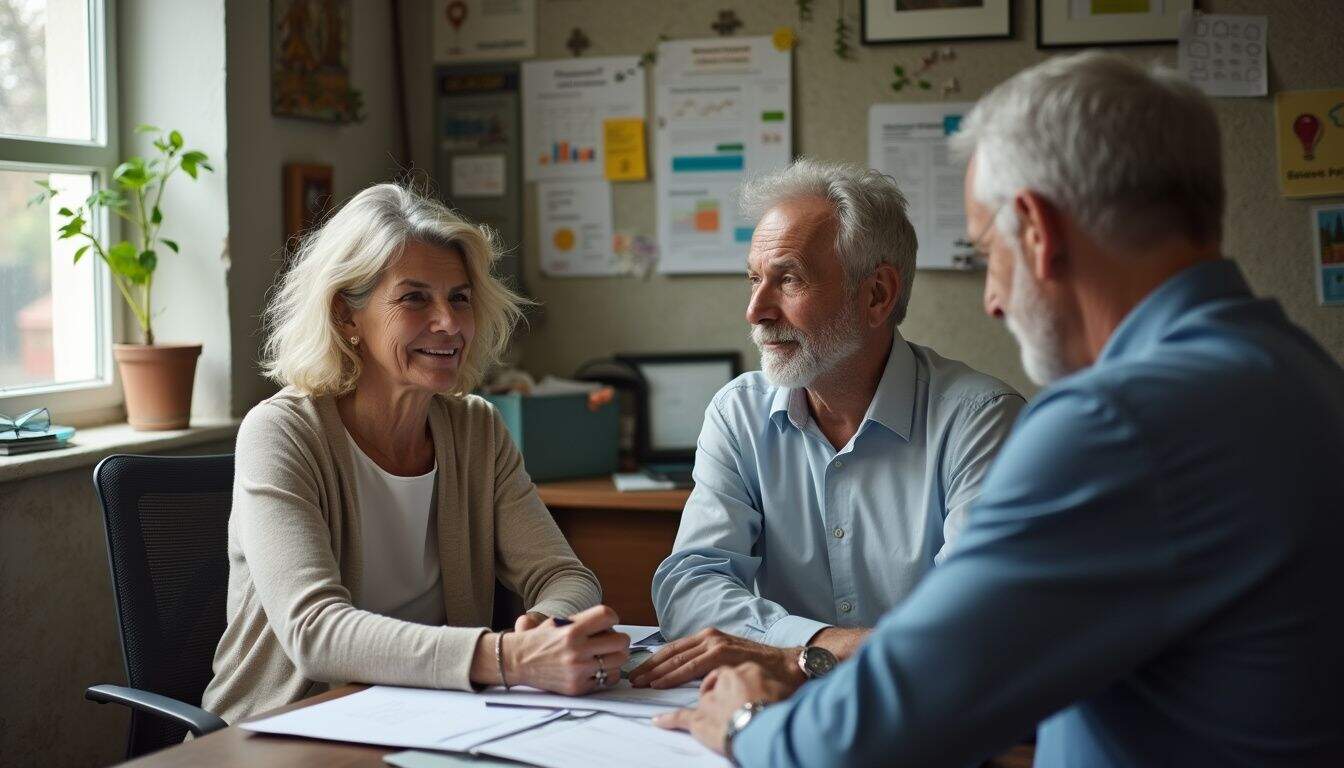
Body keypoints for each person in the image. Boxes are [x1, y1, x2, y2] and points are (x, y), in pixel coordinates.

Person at [656, 52, 1344, 767]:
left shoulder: (1114, 425)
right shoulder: (1301, 372)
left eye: (988, 253)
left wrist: (743, 724)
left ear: (1037, 230)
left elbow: (888, 724)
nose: (992, 299)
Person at [202, 184, 629, 725]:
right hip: (284, 730)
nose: (449, 323)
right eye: (414, 298)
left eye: (459, 298)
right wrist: (505, 658)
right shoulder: (282, 432)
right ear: (346, 316)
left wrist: (550, 629)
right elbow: (314, 631)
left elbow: (564, 575)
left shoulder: (477, 429)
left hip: (434, 721)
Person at [630, 160, 1024, 690]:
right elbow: (690, 584)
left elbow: (969, 627)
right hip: (769, 708)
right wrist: (815, 646)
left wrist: (793, 655)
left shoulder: (982, 422)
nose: (755, 311)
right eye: (753, 278)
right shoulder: (739, 413)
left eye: (788, 279)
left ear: (878, 294)